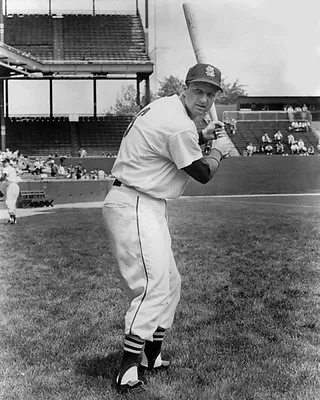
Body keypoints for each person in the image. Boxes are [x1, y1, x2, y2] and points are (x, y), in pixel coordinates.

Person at [102, 62, 232, 393]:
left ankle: (151, 358)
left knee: (171, 282)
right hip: (134, 202)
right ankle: (127, 369)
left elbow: (170, 145)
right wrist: (218, 150)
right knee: (153, 286)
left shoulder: (167, 108)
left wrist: (201, 135)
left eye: (211, 94)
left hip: (146, 202)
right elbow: (202, 173)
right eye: (199, 91)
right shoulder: (178, 124)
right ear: (185, 89)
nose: (204, 100)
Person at [0, 158, 21, 224]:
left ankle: (13, 218)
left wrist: (0, 180)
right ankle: (12, 219)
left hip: (11, 186)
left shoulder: (6, 168)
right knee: (12, 203)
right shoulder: (12, 168)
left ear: (8, 162)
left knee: (8, 202)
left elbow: (3, 177)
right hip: (16, 186)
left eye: (5, 162)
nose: (3, 163)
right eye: (3, 162)